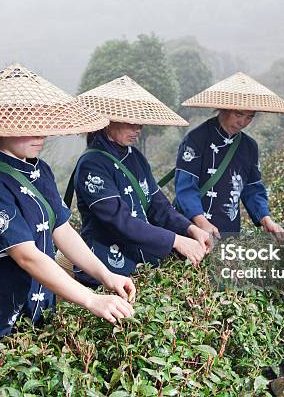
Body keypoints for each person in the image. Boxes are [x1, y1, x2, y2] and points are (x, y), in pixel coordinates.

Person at [0, 64, 136, 357]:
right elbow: (27, 256)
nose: (41, 134)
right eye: (26, 124)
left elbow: (62, 230)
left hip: (40, 305)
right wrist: (90, 300)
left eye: (41, 122)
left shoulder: (41, 170)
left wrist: (105, 274)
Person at [68, 76, 212, 287]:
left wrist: (191, 229)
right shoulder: (92, 164)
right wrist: (176, 241)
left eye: (140, 122)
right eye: (130, 122)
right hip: (105, 264)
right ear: (108, 121)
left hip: (140, 259)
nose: (138, 129)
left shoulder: (135, 156)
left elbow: (158, 204)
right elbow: (120, 222)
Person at [174, 72, 284, 239]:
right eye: (238, 114)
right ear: (224, 109)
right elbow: (186, 187)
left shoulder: (249, 147)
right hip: (194, 227)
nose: (243, 122)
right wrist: (201, 222)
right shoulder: (196, 139)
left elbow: (252, 187)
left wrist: (266, 218)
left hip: (228, 228)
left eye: (249, 117)